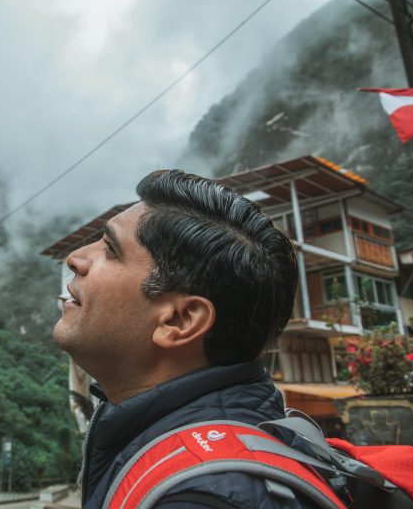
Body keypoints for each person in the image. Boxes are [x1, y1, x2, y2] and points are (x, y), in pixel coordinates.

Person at [53, 170, 316, 508]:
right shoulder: (168, 443)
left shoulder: (206, 497)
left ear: (180, 320)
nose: (75, 258)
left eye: (109, 249)